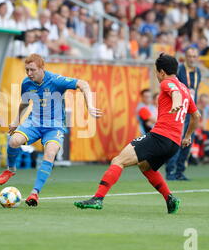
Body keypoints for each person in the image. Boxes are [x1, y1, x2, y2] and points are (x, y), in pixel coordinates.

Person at [74, 54, 201, 213]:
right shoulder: (185, 89)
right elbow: (196, 116)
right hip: (174, 143)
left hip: (160, 137)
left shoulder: (167, 83)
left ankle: (97, 198)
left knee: (118, 160)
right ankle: (170, 199)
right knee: (145, 166)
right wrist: (187, 136)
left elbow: (174, 93)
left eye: (156, 72)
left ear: (161, 72)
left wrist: (175, 103)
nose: (157, 75)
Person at [0, 53, 102, 206]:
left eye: (32, 70)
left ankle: (34, 193)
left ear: (42, 68)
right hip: (34, 122)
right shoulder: (27, 83)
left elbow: (83, 84)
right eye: (27, 70)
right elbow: (25, 102)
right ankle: (11, 169)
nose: (29, 74)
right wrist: (16, 120)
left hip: (54, 126)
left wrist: (89, 106)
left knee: (50, 153)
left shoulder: (56, 81)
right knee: (13, 141)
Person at [165, 46, 201, 181]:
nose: (192, 59)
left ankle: (180, 171)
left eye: (194, 56)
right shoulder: (180, 70)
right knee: (177, 141)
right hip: (180, 112)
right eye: (190, 56)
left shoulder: (198, 72)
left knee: (188, 141)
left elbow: (194, 91)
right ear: (185, 57)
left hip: (191, 111)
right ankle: (170, 171)